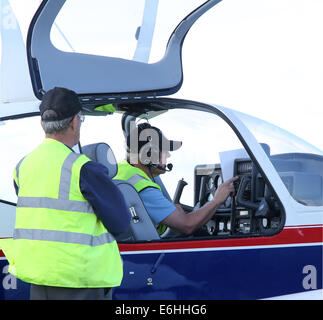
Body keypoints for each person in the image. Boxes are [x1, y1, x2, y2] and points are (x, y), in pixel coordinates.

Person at [10, 87, 130, 300]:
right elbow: (121, 223)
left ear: (42, 124)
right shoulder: (84, 169)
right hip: (79, 280)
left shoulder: (23, 166)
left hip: (39, 279)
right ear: (75, 122)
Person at [114, 121, 238, 236]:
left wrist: (169, 211)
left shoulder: (120, 170)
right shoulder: (143, 187)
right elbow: (187, 225)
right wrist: (216, 201)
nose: (168, 155)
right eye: (164, 151)